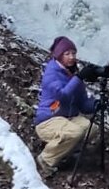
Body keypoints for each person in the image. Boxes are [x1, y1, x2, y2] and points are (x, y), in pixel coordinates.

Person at [34, 35, 98, 177]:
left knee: (91, 129)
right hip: (48, 120)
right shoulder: (51, 73)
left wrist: (97, 104)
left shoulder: (72, 74)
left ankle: (65, 154)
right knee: (74, 132)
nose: (71, 57)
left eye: (73, 53)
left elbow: (83, 104)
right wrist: (79, 78)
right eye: (67, 54)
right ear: (59, 56)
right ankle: (46, 159)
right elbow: (63, 95)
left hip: (67, 118)